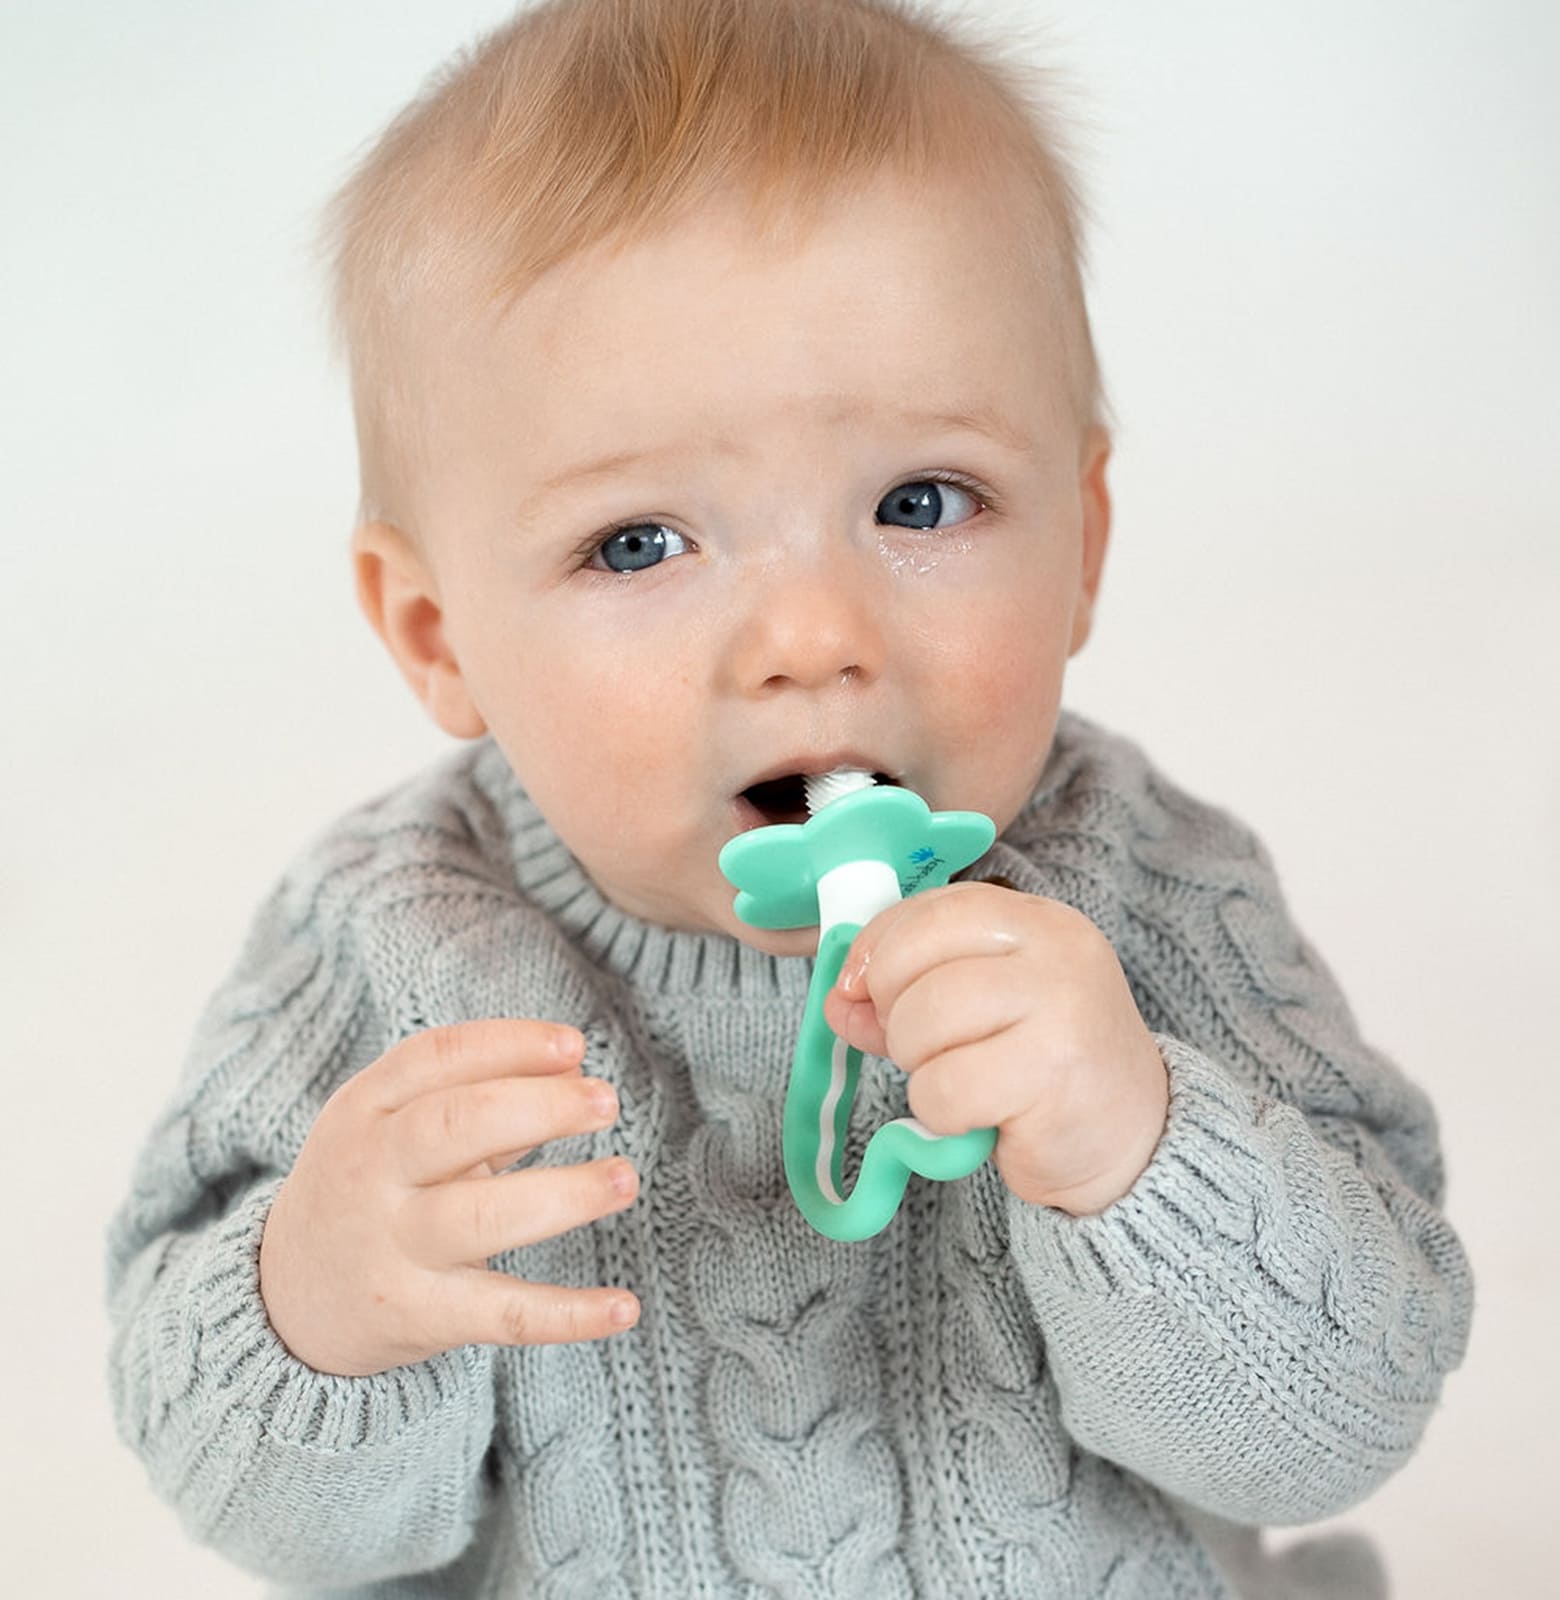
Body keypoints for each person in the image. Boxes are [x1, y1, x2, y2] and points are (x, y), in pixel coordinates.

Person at [105, 1, 1473, 1594]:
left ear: (1083, 542)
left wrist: (1138, 1149)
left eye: (920, 501)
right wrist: (322, 1309)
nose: (815, 639)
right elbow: (271, 1518)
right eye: (638, 543)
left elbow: (1346, 1422)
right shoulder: (388, 947)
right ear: (437, 634)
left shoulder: (1140, 887)